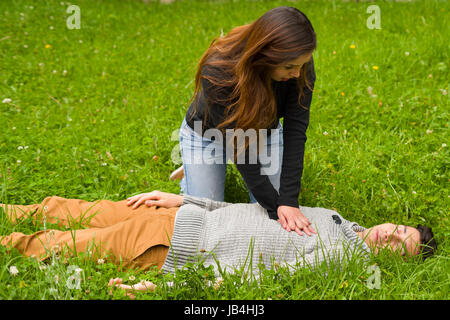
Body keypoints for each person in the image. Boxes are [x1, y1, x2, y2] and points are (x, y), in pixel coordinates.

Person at [1, 191, 437, 284]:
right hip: (180, 214)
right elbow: (250, 210)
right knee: (68, 209)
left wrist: (168, 285)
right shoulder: (338, 217)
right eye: (400, 230)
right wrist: (180, 197)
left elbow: (257, 278)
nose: (391, 238)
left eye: (401, 247)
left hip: (174, 249)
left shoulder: (338, 260)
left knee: (53, 245)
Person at [176, 6, 317, 237]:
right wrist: (275, 206)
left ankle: (201, 170)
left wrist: (288, 201)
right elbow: (241, 149)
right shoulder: (219, 69)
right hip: (209, 135)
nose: (297, 74)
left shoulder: (299, 65)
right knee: (207, 217)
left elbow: (295, 131)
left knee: (265, 216)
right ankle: (194, 171)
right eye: (290, 67)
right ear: (264, 56)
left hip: (263, 133)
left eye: (302, 65)